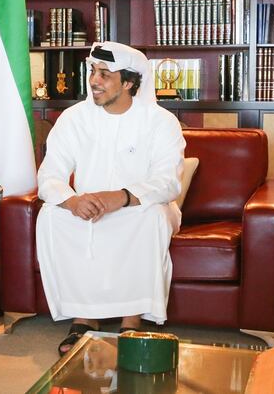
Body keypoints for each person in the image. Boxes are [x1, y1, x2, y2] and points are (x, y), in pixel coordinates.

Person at [35, 42, 185, 355]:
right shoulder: (74, 118)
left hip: (139, 206)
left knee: (152, 217)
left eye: (105, 74)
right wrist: (72, 201)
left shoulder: (160, 121)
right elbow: (49, 176)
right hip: (87, 206)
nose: (94, 80)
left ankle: (132, 321)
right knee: (51, 216)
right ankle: (84, 317)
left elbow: (168, 182)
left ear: (129, 82)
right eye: (92, 71)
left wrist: (121, 197)